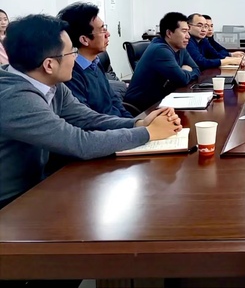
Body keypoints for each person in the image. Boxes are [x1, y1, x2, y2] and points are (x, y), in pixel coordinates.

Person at [0, 14, 182, 209]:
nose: (76, 58)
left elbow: (88, 118)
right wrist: (148, 133)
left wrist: (138, 123)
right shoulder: (14, 98)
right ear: (49, 65)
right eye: (72, 52)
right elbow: (79, 143)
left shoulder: (50, 83)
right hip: (12, 203)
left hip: (40, 186)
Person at [57, 2, 131, 117]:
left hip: (121, 124)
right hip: (106, 127)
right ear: (84, 40)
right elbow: (89, 120)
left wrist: (134, 122)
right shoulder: (71, 75)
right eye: (102, 30)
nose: (108, 34)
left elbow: (114, 100)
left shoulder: (95, 62)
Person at [124, 12, 200, 112]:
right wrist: (186, 71)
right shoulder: (160, 50)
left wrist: (184, 72)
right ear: (169, 33)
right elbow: (182, 79)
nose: (188, 36)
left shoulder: (180, 47)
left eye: (188, 32)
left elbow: (196, 69)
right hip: (142, 108)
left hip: (163, 100)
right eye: (184, 31)